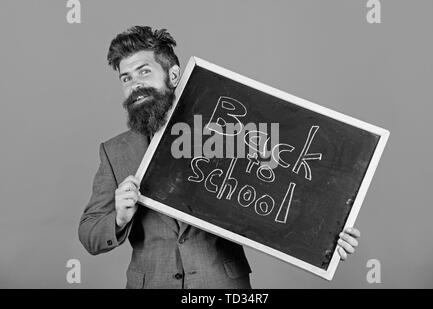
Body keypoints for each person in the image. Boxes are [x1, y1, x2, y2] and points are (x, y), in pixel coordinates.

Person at [78, 26, 361, 289]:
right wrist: (118, 218)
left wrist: (328, 236)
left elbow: (280, 194)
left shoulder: (229, 134)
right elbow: (89, 232)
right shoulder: (115, 152)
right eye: (126, 78)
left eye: (144, 72)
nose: (135, 85)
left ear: (173, 75)